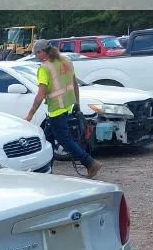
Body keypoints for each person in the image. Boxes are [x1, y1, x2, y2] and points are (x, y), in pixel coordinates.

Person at [25, 39, 102, 179]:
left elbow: (40, 95)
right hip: (66, 106)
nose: (36, 55)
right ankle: (47, 170)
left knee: (65, 141)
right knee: (47, 139)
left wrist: (30, 114)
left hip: (56, 110)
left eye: (37, 53)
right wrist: (76, 103)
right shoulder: (65, 60)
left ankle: (90, 163)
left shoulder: (44, 68)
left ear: (43, 52)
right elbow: (74, 83)